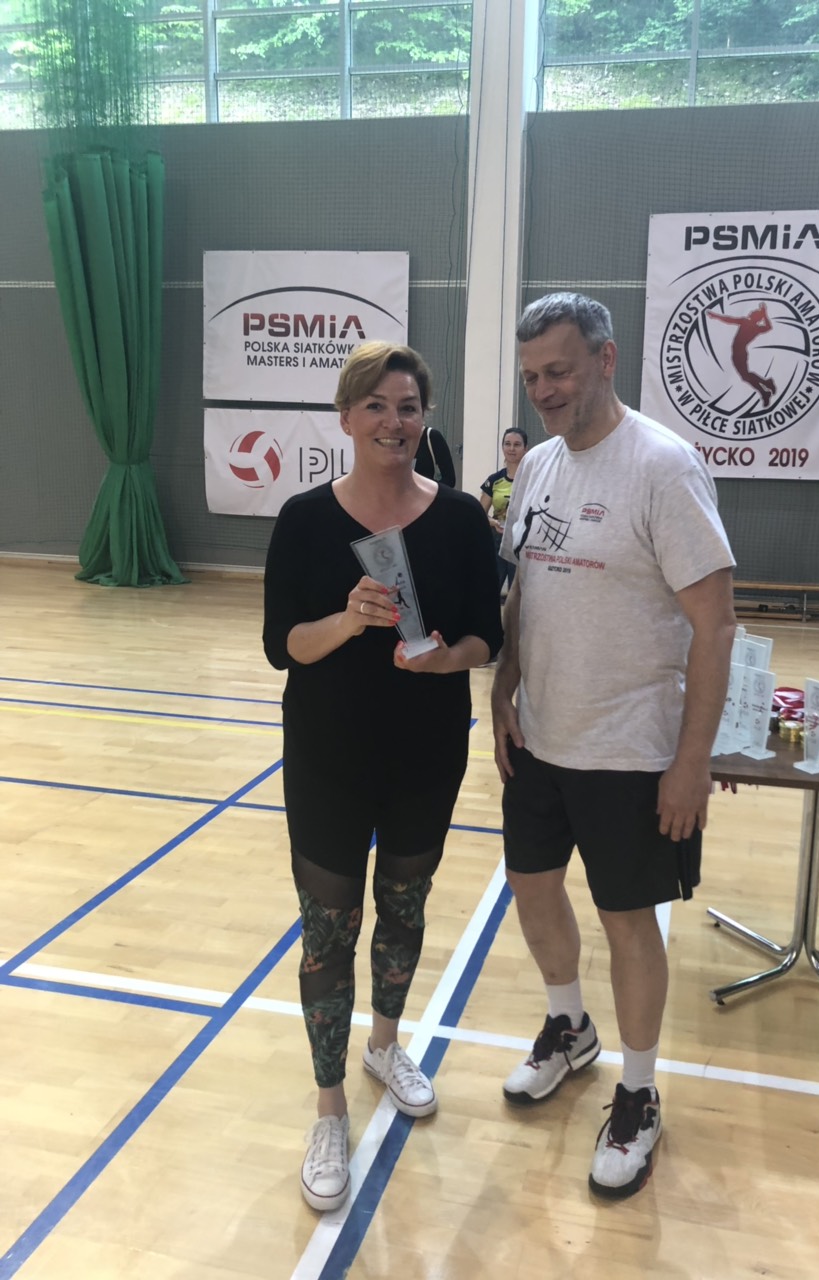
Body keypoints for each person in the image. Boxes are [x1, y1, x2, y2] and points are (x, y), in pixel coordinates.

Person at [491, 294, 736, 1200]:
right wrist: (504, 686)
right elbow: (525, 593)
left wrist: (691, 762)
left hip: (632, 750)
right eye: (531, 377)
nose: (544, 390)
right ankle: (570, 1028)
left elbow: (716, 626)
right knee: (532, 886)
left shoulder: (664, 467)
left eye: (558, 370)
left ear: (605, 359)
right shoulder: (539, 467)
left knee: (628, 921)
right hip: (540, 737)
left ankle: (638, 1092)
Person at [263, 341, 502, 1214]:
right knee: (328, 932)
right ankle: (329, 1108)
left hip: (425, 753)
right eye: (376, 405)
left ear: (423, 418)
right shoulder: (303, 519)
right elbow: (282, 645)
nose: (393, 422)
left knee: (404, 908)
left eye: (407, 407)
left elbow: (486, 637)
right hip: (328, 755)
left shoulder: (462, 520)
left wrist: (447, 661)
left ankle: (386, 1044)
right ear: (346, 417)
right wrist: (347, 620)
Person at [479, 428, 528, 592]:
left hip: (522, 542)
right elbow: (480, 514)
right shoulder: (494, 480)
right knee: (490, 589)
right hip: (497, 541)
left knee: (518, 591)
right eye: (507, 444)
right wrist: (493, 522)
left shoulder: (533, 478)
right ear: (502, 447)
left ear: (525, 448)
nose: (512, 449)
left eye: (517, 444)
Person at [414, 422, 457, 486]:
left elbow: (450, 480)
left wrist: (427, 489)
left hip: (427, 491)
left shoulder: (432, 437)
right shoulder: (398, 440)